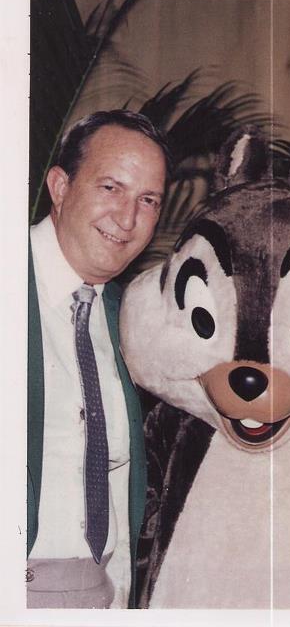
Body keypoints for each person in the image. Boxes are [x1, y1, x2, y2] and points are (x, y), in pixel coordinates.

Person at [27, 110, 170, 608]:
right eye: (111, 188)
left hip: (101, 591)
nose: (127, 219)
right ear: (60, 186)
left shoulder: (128, 317)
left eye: (148, 200)